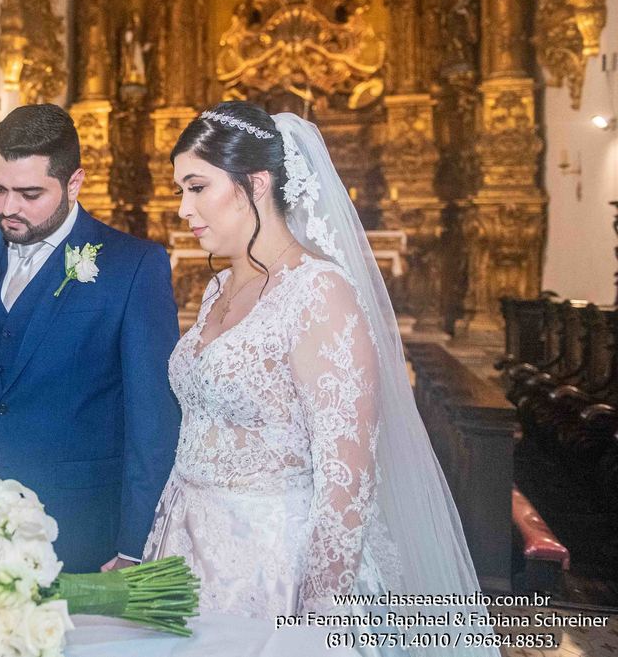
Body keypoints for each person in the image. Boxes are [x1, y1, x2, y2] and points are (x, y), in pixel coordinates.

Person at [144, 101, 497, 656]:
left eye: (196, 187)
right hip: (185, 549)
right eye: (179, 191)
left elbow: (346, 482)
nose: (183, 208)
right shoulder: (218, 289)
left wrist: (317, 622)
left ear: (255, 184)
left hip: (272, 569)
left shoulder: (319, 293)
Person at [0, 103, 181, 573]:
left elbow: (152, 421)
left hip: (77, 530)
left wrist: (134, 543)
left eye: (29, 193)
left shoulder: (134, 266)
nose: (7, 208)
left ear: (74, 183)